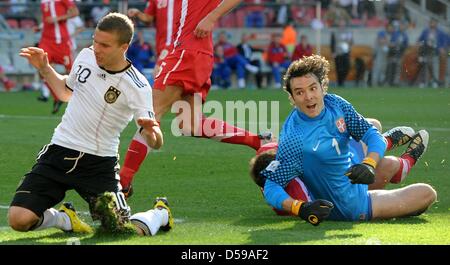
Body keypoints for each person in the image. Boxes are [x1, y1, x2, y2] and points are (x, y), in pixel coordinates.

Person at [8, 13, 172, 236]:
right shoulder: (85, 57)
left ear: (124, 47)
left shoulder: (138, 85)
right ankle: (64, 219)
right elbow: (66, 92)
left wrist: (153, 131)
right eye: (95, 41)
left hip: (99, 163)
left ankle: (160, 213)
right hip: (59, 152)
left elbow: (156, 142)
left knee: (121, 231)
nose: (97, 48)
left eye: (105, 45)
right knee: (18, 220)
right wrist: (45, 68)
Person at [259, 55, 437, 225]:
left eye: (313, 88)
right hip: (352, 204)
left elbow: (371, 134)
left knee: (373, 125)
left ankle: (394, 162)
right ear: (292, 97)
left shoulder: (335, 103)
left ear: (323, 87)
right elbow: (271, 186)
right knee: (427, 193)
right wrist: (300, 208)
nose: (308, 97)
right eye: (299, 92)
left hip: (354, 168)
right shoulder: (293, 139)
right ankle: (407, 161)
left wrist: (368, 163)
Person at [120, 0, 272, 197]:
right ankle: (258, 141)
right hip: (193, 53)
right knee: (190, 125)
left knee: (152, 112)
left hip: (187, 53)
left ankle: (123, 182)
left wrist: (210, 18)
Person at [250, 124, 429, 216]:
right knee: (418, 187)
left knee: (372, 126)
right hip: (349, 197)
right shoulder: (296, 191)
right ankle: (403, 161)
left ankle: (385, 143)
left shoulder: (271, 157)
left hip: (342, 171)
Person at [37, 0, 80, 114]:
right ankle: (57, 96)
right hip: (46, 40)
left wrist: (58, 18)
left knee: (72, 72)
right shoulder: (43, 1)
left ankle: (79, 99)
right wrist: (40, 27)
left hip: (62, 42)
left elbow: (75, 12)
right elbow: (46, 18)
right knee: (42, 68)